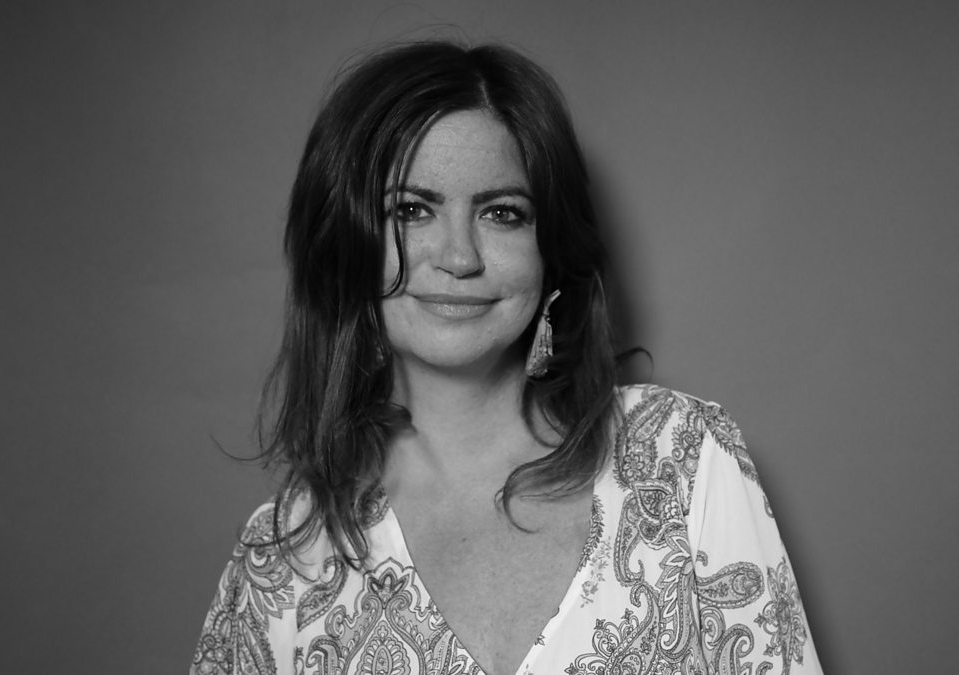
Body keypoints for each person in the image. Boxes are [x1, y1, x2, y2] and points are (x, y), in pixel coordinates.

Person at [192, 41, 823, 675]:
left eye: (502, 213)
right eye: (411, 210)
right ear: (343, 245)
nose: (459, 257)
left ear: (551, 248)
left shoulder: (682, 461)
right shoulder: (281, 563)